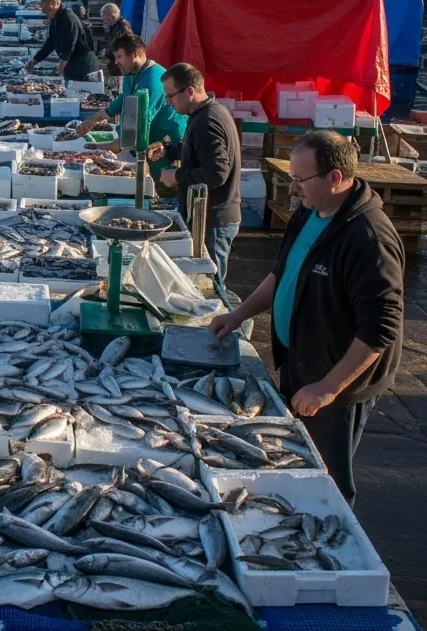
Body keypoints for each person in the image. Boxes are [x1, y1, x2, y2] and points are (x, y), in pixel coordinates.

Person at [210, 131, 402, 504]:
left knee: (326, 477)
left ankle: (332, 546)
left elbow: (382, 326)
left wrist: (328, 387)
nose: (292, 188)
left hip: (338, 385)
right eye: (291, 178)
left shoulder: (369, 238)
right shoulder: (310, 212)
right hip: (301, 364)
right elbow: (283, 273)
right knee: (293, 459)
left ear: (334, 178)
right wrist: (238, 315)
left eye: (300, 180)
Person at [147, 63, 241, 290]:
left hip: (214, 218)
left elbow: (217, 172)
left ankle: (218, 324)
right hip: (210, 215)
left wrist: (177, 176)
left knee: (210, 287)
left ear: (189, 91)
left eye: (170, 95)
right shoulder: (205, 113)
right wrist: (169, 150)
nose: (168, 102)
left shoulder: (207, 121)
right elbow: (199, 150)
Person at [75, 33, 186, 168]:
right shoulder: (130, 73)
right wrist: (93, 119)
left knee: (159, 183)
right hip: (145, 143)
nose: (116, 62)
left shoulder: (152, 82)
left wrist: (98, 148)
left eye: (119, 57)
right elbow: (124, 98)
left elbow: (137, 128)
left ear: (134, 55)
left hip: (165, 146)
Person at [23, 0, 96, 81]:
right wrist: (34, 61)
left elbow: (69, 47)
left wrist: (61, 69)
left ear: (54, 5)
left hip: (82, 62)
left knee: (80, 89)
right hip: (71, 61)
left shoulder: (68, 19)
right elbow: (50, 43)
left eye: (45, 9)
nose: (43, 12)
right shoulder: (56, 18)